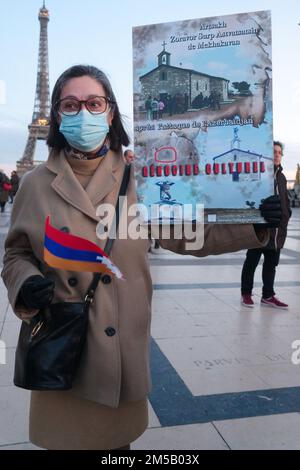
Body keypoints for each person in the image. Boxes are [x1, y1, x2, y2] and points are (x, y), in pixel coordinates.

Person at [2, 65, 278, 451]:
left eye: (93, 102)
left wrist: (253, 223)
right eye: (71, 104)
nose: (83, 112)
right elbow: (16, 252)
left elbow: (188, 235)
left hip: (116, 353)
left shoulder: (142, 179)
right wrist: (25, 282)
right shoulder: (34, 184)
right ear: (57, 114)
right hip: (62, 346)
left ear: (110, 112)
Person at [241, 141, 291, 309]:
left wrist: (286, 215)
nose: (277, 154)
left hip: (277, 231)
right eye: (274, 152)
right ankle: (246, 294)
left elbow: (285, 200)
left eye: (279, 152)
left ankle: (268, 296)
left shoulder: (282, 177)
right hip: (261, 229)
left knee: (271, 264)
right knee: (252, 262)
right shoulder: (261, 174)